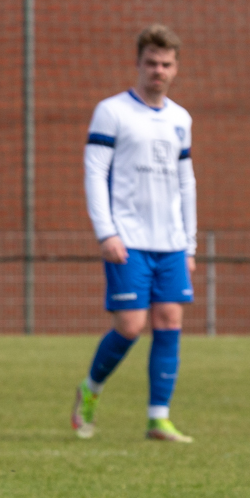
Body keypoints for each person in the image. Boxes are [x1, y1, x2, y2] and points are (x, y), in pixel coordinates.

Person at [72, 24, 196, 442]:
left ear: (175, 68)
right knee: (129, 325)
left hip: (171, 242)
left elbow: (186, 182)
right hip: (127, 238)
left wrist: (190, 243)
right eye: (151, 63)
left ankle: (158, 417)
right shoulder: (112, 111)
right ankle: (90, 388)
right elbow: (95, 172)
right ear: (138, 64)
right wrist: (105, 232)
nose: (158, 70)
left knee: (170, 320)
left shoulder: (181, 119)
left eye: (166, 64)